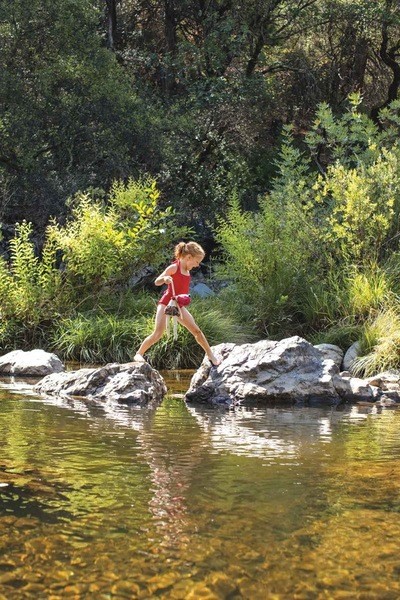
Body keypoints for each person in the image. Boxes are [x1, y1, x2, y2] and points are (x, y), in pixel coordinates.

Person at [135, 241, 221, 366]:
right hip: (166, 304)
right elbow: (157, 282)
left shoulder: (187, 270)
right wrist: (165, 279)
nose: (197, 265)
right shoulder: (174, 267)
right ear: (188, 257)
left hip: (178, 306)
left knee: (196, 331)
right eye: (197, 262)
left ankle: (210, 355)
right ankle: (139, 353)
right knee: (158, 333)